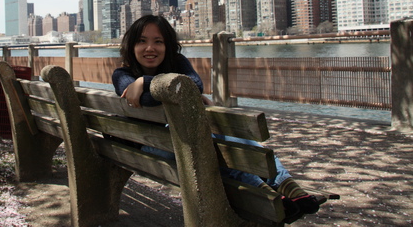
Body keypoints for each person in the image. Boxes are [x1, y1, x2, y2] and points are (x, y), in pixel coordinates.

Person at [112, 15, 321, 224]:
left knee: (221, 137)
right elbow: (148, 100)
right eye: (142, 41)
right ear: (131, 46)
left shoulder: (178, 63)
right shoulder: (121, 75)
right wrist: (170, 89)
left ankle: (279, 190)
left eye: (158, 41)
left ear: (168, 45)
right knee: (212, 141)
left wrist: (145, 81)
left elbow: (195, 84)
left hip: (183, 142)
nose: (150, 48)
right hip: (151, 145)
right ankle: (271, 190)